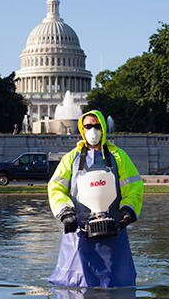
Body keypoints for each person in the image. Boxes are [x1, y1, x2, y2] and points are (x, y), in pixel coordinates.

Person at [47, 110, 144, 287]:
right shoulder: (71, 159)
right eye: (88, 126)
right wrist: (66, 213)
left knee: (118, 284)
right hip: (78, 230)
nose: (93, 130)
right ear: (82, 129)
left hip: (114, 227)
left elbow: (134, 187)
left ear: (103, 128)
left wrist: (127, 211)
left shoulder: (119, 157)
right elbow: (56, 188)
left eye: (97, 126)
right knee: (74, 285)